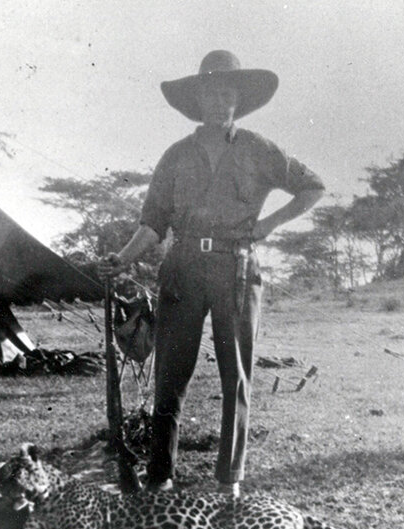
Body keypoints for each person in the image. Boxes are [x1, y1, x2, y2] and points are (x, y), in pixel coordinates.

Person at [101, 50, 325, 497]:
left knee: (235, 374)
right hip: (182, 267)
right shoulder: (175, 156)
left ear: (237, 101)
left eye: (227, 93)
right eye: (210, 93)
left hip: (237, 268)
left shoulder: (259, 149)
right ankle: (160, 475)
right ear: (197, 101)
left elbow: (313, 186)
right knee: (170, 373)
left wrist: (268, 225)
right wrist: (122, 258)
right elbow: (152, 223)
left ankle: (229, 480)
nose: (219, 101)